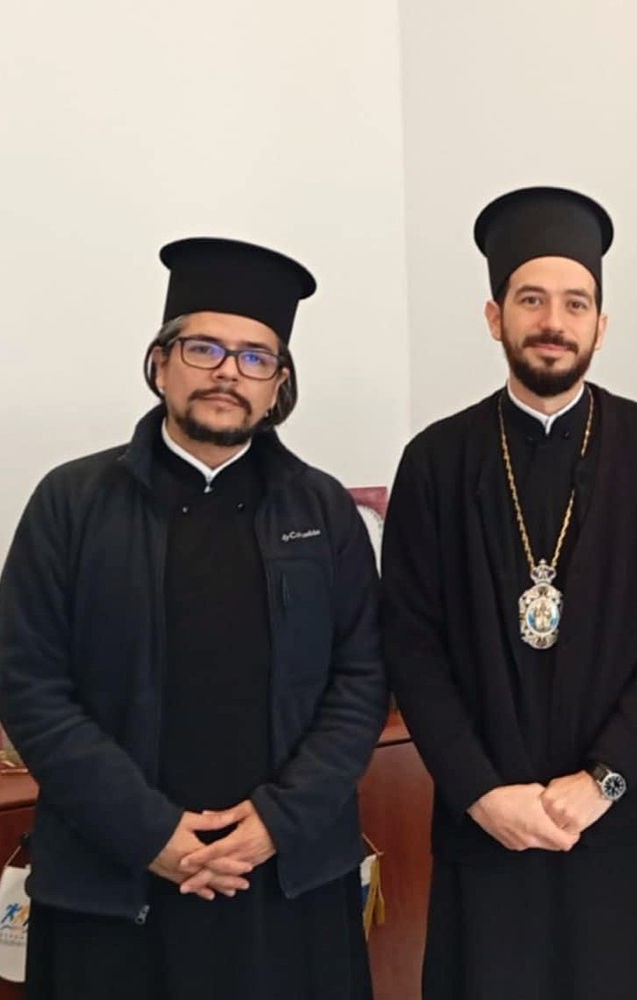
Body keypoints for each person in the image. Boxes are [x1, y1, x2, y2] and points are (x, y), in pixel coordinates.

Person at [0, 237, 385, 999]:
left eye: (254, 357)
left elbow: (362, 679)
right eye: (204, 348)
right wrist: (149, 832)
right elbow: (29, 684)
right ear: (161, 363)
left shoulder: (324, 510)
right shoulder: (71, 502)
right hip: (115, 878)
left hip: (287, 874)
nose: (227, 372)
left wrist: (278, 821)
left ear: (278, 385)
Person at [381, 186, 637, 1000]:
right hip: (486, 823)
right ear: (495, 317)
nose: (553, 321)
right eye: (531, 300)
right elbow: (411, 645)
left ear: (601, 324)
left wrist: (602, 781)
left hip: (619, 818)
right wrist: (481, 793)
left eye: (575, 302)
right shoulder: (435, 460)